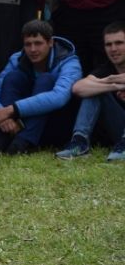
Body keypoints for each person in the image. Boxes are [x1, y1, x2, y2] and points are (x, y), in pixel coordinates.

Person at [0, 20, 81, 154]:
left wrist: (13, 110)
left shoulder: (69, 61)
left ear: (50, 42)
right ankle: (3, 138)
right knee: (13, 77)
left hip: (54, 124)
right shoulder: (16, 59)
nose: (33, 49)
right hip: (16, 123)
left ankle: (22, 143)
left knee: (45, 80)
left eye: (38, 43)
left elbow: (59, 97)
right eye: (28, 44)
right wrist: (2, 117)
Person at [56, 22, 125, 161]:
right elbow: (78, 88)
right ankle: (79, 143)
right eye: (108, 44)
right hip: (118, 129)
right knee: (93, 90)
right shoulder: (106, 69)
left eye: (119, 43)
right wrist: (114, 85)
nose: (113, 49)